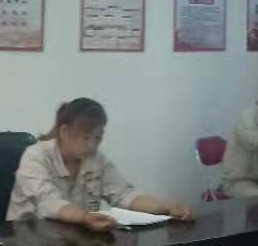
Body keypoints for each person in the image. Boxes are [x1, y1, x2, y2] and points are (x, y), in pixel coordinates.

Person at [12, 98, 193, 230]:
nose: (92, 145)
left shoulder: (96, 159)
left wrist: (166, 207)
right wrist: (84, 217)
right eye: (86, 137)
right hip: (30, 242)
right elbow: (48, 201)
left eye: (98, 138)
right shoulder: (35, 156)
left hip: (76, 238)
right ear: (65, 131)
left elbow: (124, 194)